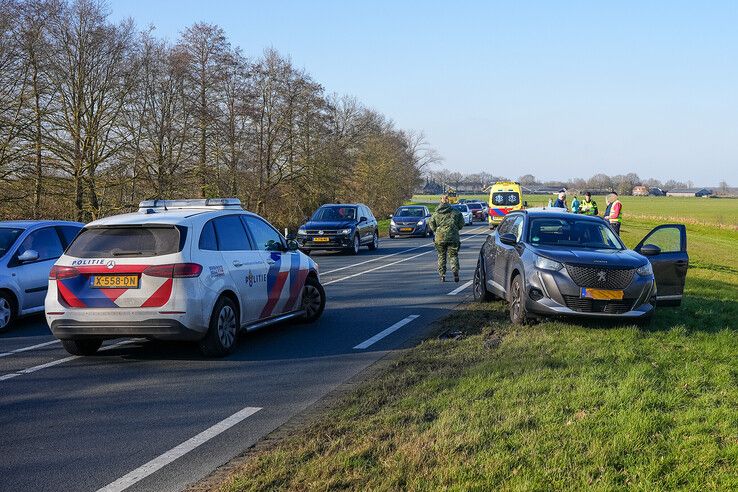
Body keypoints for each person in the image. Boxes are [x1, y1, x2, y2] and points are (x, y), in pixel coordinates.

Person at [428, 195, 465, 282]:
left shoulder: (436, 213)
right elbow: (461, 224)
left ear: (440, 201)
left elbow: (431, 224)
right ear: (448, 201)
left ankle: (442, 275)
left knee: (441, 255)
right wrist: (455, 229)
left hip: (440, 237)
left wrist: (437, 230)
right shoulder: (456, 212)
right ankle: (455, 271)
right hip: (453, 236)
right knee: (453, 255)